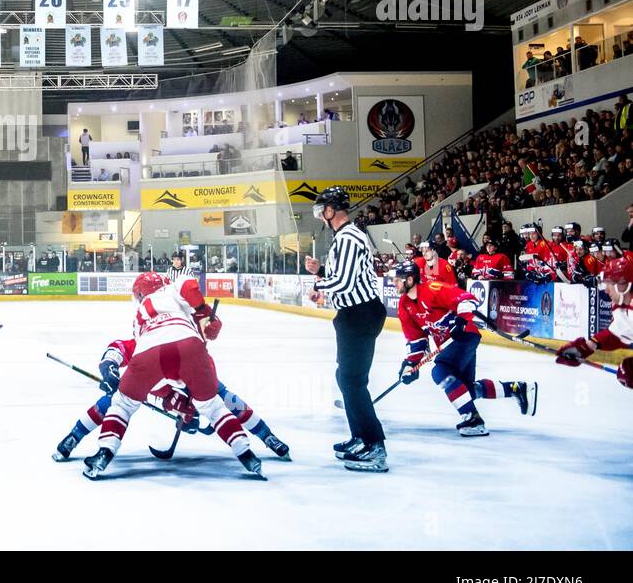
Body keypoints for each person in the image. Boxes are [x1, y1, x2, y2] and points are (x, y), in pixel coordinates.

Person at [81, 272, 264, 480]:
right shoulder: (173, 292)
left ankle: (104, 452)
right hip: (191, 349)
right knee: (213, 406)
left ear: (141, 294)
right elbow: (190, 287)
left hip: (150, 353)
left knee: (122, 404)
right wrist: (206, 317)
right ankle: (245, 453)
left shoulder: (139, 315)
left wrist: (170, 396)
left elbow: (156, 368)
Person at [52, 329, 289, 462]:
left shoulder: (186, 344)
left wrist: (192, 406)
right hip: (150, 380)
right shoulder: (148, 340)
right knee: (113, 401)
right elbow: (119, 347)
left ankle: (267, 436)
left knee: (226, 398)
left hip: (189, 377)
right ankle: (73, 437)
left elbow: (206, 375)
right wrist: (110, 368)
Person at [394, 260, 536, 436]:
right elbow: (416, 339)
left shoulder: (433, 289)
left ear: (409, 280)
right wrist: (410, 365)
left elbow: (466, 298)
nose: (394, 282)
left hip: (464, 337)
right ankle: (516, 389)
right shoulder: (404, 306)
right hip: (449, 344)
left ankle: (473, 420)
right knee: (466, 391)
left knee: (440, 371)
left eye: (397, 279)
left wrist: (461, 319)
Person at [303, 186, 388, 473]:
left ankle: (375, 446)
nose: (320, 215)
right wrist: (323, 273)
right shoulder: (344, 238)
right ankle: (361, 437)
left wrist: (318, 286)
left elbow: (346, 283)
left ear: (332, 210)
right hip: (353, 315)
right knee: (346, 377)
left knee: (352, 380)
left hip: (360, 315)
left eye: (322, 209)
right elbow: (342, 276)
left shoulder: (349, 238)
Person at [556, 254, 633, 387]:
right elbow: (618, 334)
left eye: (610, 284)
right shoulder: (621, 307)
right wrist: (588, 346)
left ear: (623, 283)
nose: (607, 291)